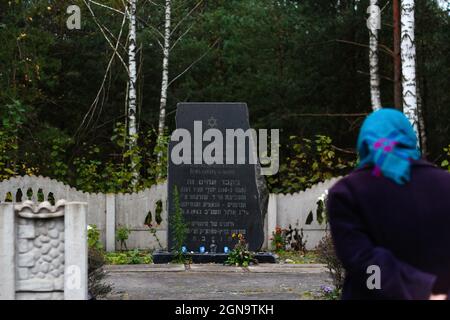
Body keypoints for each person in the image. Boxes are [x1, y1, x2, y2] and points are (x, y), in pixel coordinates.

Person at [327, 108, 450, 300]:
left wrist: (421, 291)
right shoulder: (445, 185)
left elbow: (362, 262)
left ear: (365, 142)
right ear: (408, 138)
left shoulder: (347, 193)